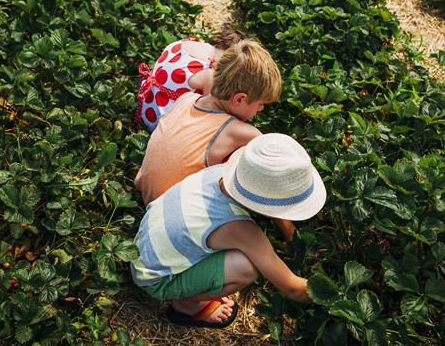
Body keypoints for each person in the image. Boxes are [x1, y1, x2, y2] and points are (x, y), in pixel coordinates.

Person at [130, 133, 326, 328]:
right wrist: (335, 295)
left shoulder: (221, 172)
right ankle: (186, 303)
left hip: (144, 246)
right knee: (246, 268)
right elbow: (292, 288)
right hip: (156, 278)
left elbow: (267, 196)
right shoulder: (241, 231)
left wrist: (290, 233)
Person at [134, 39, 296, 241]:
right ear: (239, 99)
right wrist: (290, 232)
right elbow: (267, 178)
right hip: (172, 220)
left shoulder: (186, 99)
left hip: (145, 191)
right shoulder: (244, 133)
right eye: (261, 104)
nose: (261, 110)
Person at [135, 29, 247, 132]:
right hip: (162, 125)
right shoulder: (209, 73)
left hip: (145, 108)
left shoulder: (182, 43)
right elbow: (210, 113)